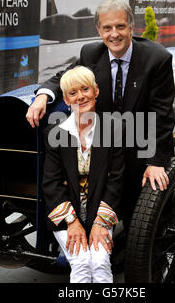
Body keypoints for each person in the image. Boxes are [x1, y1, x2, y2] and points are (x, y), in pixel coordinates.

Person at [30, 0, 175, 226]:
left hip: (137, 145)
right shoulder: (91, 54)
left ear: (131, 27)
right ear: (99, 30)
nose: (114, 34)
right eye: (107, 28)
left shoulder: (157, 59)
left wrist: (155, 162)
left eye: (120, 26)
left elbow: (162, 114)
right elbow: (64, 78)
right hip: (103, 145)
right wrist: (42, 96)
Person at [42, 66, 124, 283]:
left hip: (100, 212)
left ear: (96, 91)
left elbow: (116, 181)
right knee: (80, 263)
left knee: (99, 263)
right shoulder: (55, 134)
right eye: (72, 93)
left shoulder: (114, 129)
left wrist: (100, 223)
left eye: (85, 89)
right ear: (66, 101)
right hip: (67, 214)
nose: (80, 97)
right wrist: (72, 222)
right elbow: (51, 184)